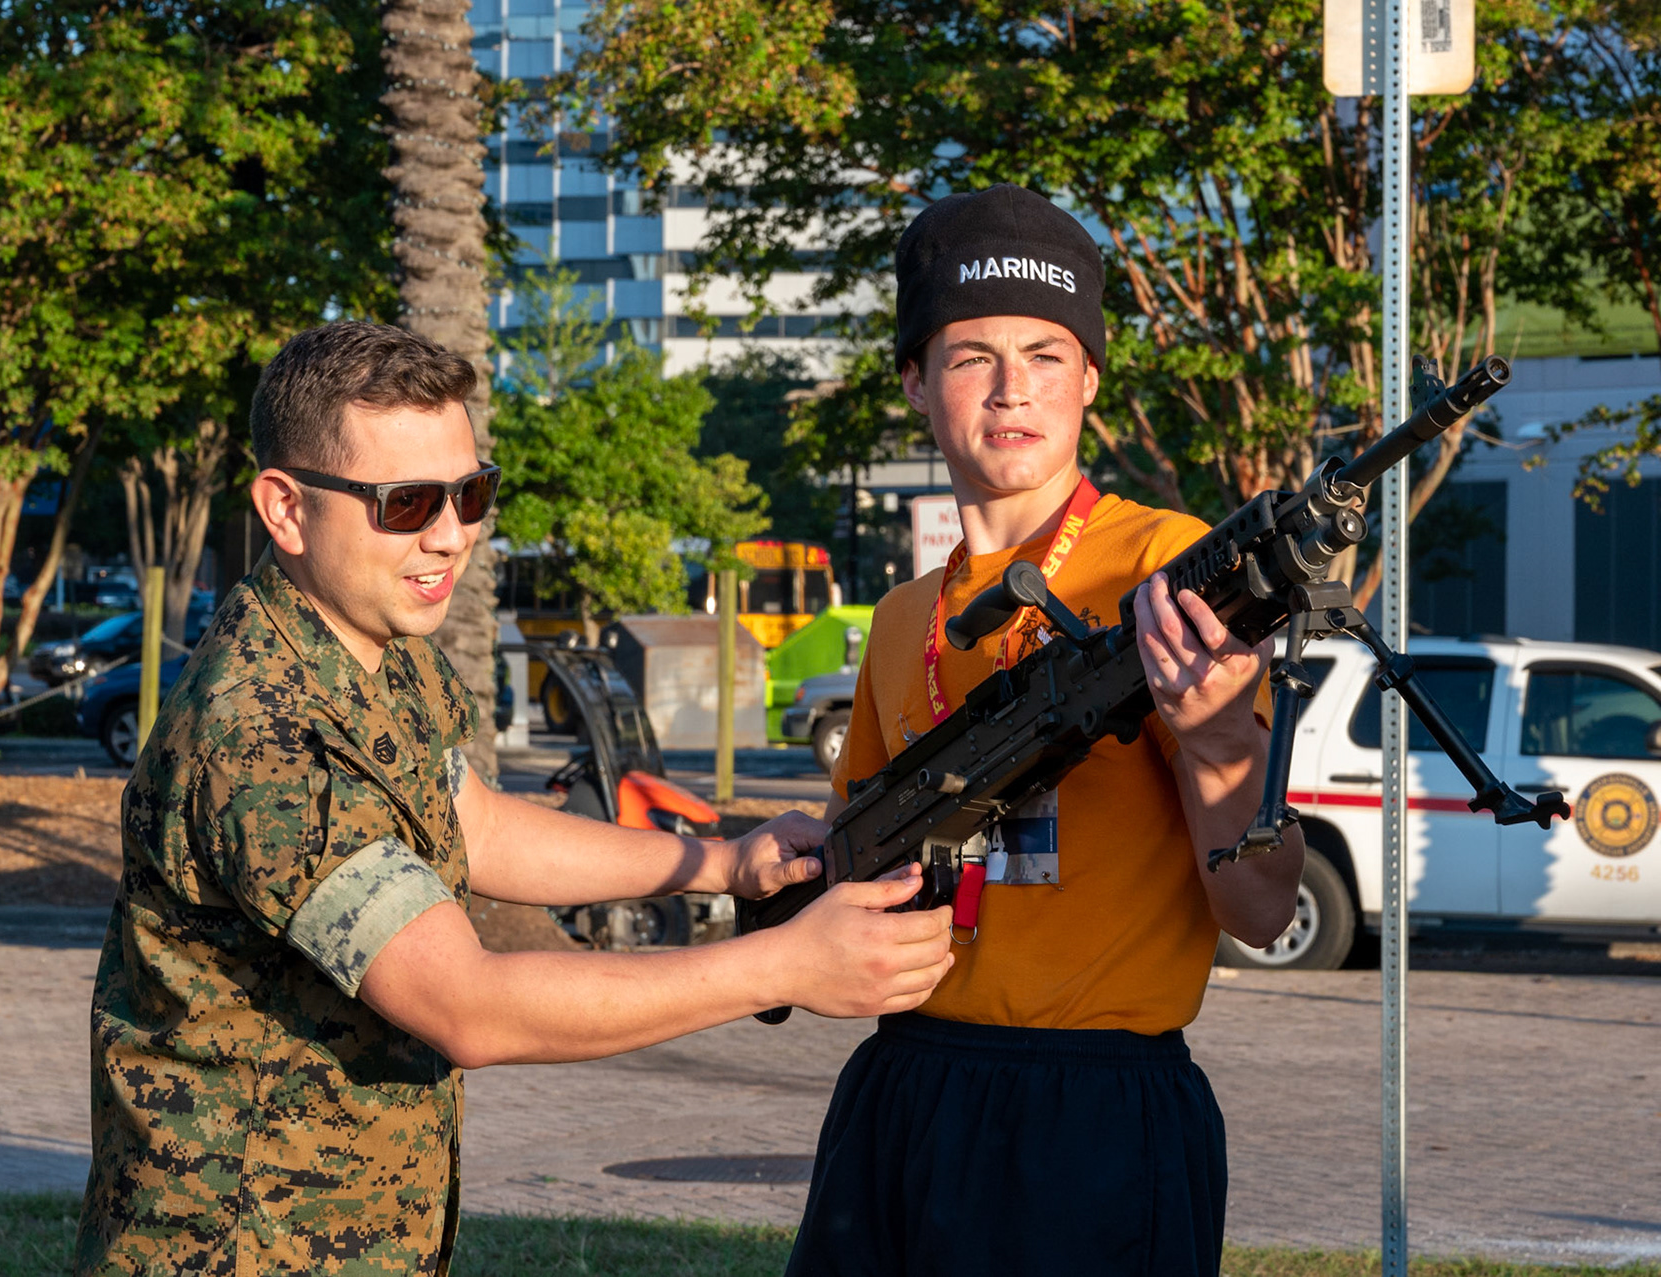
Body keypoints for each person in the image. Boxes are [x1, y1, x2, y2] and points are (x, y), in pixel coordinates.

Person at [74, 320, 956, 1276]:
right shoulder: (262, 733)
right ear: (286, 509)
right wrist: (782, 965)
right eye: (406, 502)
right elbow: (471, 1006)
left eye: (471, 492)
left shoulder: (371, 644)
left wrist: (720, 861)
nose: (450, 535)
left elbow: (477, 825)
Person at [784, 185, 1306, 1277]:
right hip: (906, 1086)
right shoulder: (901, 618)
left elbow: (1260, 911)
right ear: (916, 381)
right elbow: (852, 867)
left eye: (1046, 354)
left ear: (1091, 382)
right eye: (972, 355)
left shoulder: (1170, 574)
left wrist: (1219, 742)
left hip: (1099, 1111)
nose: (1012, 387)